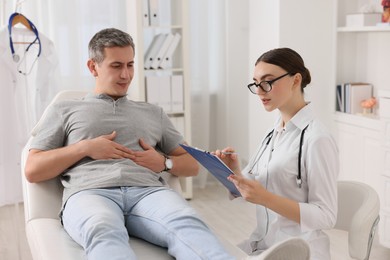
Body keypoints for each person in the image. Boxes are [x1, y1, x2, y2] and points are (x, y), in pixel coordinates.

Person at [24, 28, 234, 260]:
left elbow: (192, 165)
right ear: (93, 67)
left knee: (187, 222)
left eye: (130, 65)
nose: (126, 75)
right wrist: (85, 148)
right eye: (116, 66)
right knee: (103, 228)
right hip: (90, 194)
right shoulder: (64, 110)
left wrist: (164, 163)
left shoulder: (153, 113)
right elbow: (33, 169)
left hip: (149, 193)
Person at [215, 48, 339, 259]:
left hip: (300, 251)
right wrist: (233, 170)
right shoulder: (274, 131)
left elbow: (326, 216)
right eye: (256, 83)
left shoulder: (317, 139)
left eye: (268, 81)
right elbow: (255, 183)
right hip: (264, 244)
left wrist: (266, 198)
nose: (260, 91)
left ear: (295, 80)